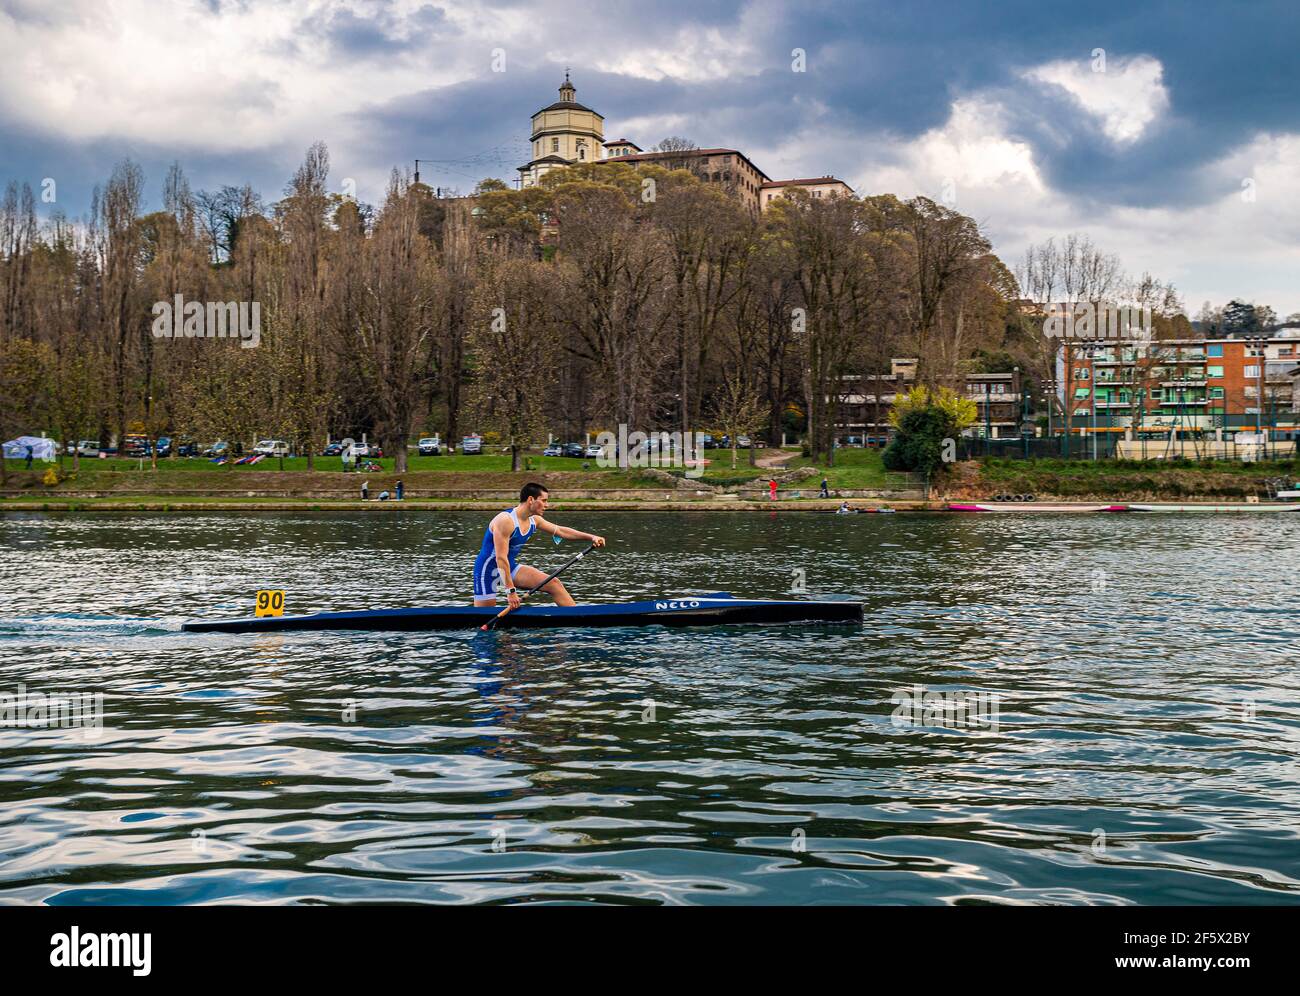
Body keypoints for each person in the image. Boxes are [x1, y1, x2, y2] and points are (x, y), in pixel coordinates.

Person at [473, 482, 605, 608]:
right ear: (531, 499)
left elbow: (561, 531)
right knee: (484, 615)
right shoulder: (505, 520)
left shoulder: (534, 521)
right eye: (544, 500)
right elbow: (500, 558)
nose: (546, 505)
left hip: (510, 567)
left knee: (553, 584)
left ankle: (577, 618)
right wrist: (511, 592)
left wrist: (591, 537)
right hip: (487, 570)